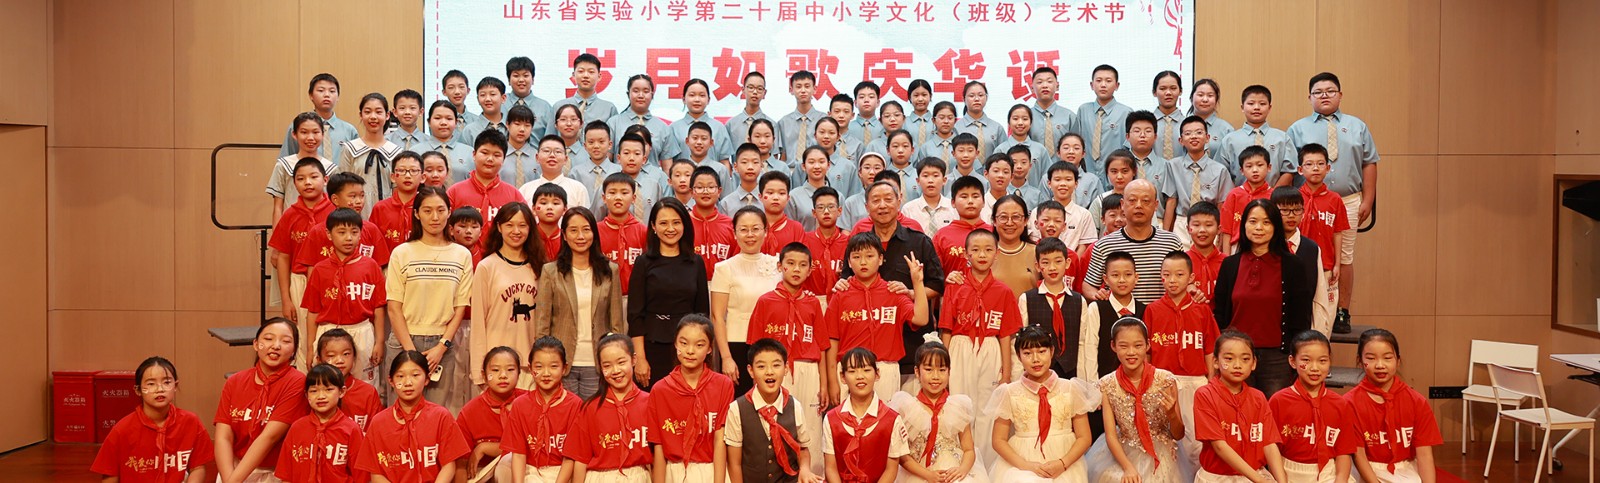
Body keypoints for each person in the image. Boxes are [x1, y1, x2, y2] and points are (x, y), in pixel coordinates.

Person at [1288, 72, 1380, 334]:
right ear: (1309, 97)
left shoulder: (1357, 125)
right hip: (1306, 201)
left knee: (1344, 256)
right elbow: (1289, 167)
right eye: (1318, 92)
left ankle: (1342, 311)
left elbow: (1369, 162)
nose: (1324, 95)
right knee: (1302, 252)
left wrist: (1368, 199)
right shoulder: (1297, 128)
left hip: (1348, 199)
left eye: (1330, 91)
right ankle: (1303, 307)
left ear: (1340, 94)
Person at [1212, 200, 1315, 397]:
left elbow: (1301, 317)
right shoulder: (1230, 264)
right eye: (1253, 221)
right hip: (1236, 355)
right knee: (1236, 409)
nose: (1259, 227)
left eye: (1266, 222)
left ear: (1276, 227)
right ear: (1243, 225)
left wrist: (1296, 354)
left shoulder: (1293, 265)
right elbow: (1220, 314)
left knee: (1274, 410)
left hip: (1277, 358)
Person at [385, 185, 473, 410]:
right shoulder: (402, 253)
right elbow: (394, 308)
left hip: (441, 346)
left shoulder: (461, 254)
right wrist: (410, 353)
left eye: (441, 210)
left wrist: (442, 346)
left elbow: (460, 307)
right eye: (427, 211)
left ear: (449, 212)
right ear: (416, 214)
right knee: (400, 412)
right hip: (404, 340)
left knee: (434, 414)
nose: (435, 217)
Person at [937, 228, 1020, 457]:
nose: (982, 255)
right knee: (958, 404)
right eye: (975, 250)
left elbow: (1005, 335)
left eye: (988, 250)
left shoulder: (1004, 291)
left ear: (996, 254)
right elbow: (946, 329)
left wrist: (1006, 372)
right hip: (959, 348)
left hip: (991, 349)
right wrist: (943, 365)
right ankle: (958, 460)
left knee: (987, 409)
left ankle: (986, 462)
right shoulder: (954, 286)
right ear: (966, 254)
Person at [825, 231, 931, 400]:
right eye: (856, 257)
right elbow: (832, 341)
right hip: (849, 369)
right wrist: (832, 382)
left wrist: (917, 282)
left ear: (880, 259)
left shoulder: (893, 291)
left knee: (886, 416)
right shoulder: (840, 294)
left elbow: (921, 318)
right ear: (849, 262)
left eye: (869, 256)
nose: (863, 262)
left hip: (886, 370)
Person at [748, 243, 831, 455]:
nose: (796, 269)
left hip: (808, 369)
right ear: (779, 266)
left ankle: (812, 470)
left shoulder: (813, 303)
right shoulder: (765, 301)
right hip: (776, 370)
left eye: (803, 265)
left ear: (810, 270)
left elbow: (822, 347)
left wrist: (824, 384)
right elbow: (755, 346)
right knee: (776, 423)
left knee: (810, 427)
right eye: (791, 263)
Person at [987, 325, 1097, 483]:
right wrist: (1026, 466)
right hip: (1022, 463)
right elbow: (998, 440)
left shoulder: (1070, 388)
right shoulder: (1009, 392)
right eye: (1027, 353)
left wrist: (1062, 464)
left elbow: (1084, 437)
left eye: (1041, 351)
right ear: (1018, 356)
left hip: (1065, 461)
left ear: (1051, 351)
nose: (1035, 359)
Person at [535, 207, 625, 396]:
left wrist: (615, 359)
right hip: (561, 363)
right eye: (573, 230)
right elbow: (542, 324)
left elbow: (616, 323)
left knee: (594, 413)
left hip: (597, 363)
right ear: (564, 235)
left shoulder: (610, 270)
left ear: (594, 233)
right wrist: (545, 362)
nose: (581, 236)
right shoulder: (551, 271)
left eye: (586, 229)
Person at [1082, 319, 1183, 483]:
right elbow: (1111, 435)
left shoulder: (1165, 380)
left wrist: (1172, 414)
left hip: (1162, 451)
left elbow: (1178, 434)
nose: (1131, 352)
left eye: (1138, 345)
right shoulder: (1107, 384)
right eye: (1123, 346)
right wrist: (1128, 467)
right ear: (1113, 346)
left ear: (1147, 345)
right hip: (1123, 450)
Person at [1145, 250, 1219, 468]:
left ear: (1191, 277)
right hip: (1162, 382)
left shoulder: (1202, 310)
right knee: (1165, 438)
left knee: (1196, 439)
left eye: (1179, 275)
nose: (1172, 280)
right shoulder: (1152, 310)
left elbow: (1210, 349)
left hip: (1195, 383)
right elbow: (1147, 352)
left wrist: (1210, 382)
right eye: (1167, 275)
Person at [300, 207, 388, 385]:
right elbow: (313, 312)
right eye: (341, 232)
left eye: (354, 232)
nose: (349, 238)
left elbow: (379, 308)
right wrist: (310, 347)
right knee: (328, 384)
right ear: (329, 234)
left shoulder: (371, 266)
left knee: (365, 384)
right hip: (328, 332)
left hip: (362, 331)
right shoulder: (320, 269)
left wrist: (379, 341)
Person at [214, 318, 308, 483]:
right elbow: (223, 437)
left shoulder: (297, 382)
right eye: (269, 338)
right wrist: (229, 478)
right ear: (256, 344)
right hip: (234, 470)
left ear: (294, 350)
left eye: (285, 341)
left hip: (276, 472)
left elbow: (269, 438)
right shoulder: (235, 381)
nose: (276, 345)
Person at [628, 198, 710, 386]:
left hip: (689, 348)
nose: (670, 229)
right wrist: (640, 358)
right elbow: (635, 316)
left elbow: (702, 313)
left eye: (676, 222)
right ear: (653, 227)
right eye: (663, 223)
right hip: (653, 346)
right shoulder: (643, 263)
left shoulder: (696, 262)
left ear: (684, 225)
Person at [92, 357, 214, 483]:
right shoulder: (122, 430)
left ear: (175, 386)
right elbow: (110, 477)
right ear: (138, 390)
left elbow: (197, 468)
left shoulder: (191, 422)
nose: (160, 389)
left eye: (166, 382)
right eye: (151, 384)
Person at [355, 351, 472, 481]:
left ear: (427, 379)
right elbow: (376, 473)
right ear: (391, 381)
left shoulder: (441, 416)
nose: (408, 382)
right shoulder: (379, 422)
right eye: (400, 376)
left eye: (415, 375)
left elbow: (449, 465)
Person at [648, 315, 738, 482]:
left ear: (710, 348)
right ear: (675, 343)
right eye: (684, 343)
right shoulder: (660, 390)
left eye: (699, 345)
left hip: (711, 470)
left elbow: (719, 440)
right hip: (674, 473)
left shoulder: (722, 385)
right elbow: (659, 446)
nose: (690, 351)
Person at [725, 338, 825, 483]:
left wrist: (805, 469)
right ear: (751, 371)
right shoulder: (737, 409)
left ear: (786, 368)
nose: (769, 372)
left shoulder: (795, 406)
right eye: (761, 366)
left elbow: (802, 449)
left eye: (776, 365)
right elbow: (734, 463)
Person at [1346, 329, 1441, 483]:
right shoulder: (1350, 403)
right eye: (1371, 358)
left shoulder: (1417, 401)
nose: (1380, 365)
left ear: (1398, 360)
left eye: (1387, 358)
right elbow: (1359, 455)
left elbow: (1424, 454)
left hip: (1404, 468)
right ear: (1360, 361)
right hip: (1364, 470)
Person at [1193, 330, 1287, 482]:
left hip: (1256, 475)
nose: (1237, 365)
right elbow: (1219, 447)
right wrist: (1259, 480)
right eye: (1229, 359)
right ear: (1215, 361)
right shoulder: (1205, 394)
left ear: (1254, 363)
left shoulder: (1258, 397)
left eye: (1245, 359)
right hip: (1219, 478)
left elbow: (1269, 444)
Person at [889, 342, 988, 483]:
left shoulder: (958, 406)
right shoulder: (907, 408)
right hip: (919, 473)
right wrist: (927, 475)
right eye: (929, 369)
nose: (935, 376)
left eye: (942, 370)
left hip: (953, 471)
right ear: (917, 371)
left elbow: (969, 449)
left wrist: (962, 470)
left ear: (949, 371)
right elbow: (902, 455)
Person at [470, 202, 545, 389]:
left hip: (530, 366)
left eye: (522, 225)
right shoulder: (487, 267)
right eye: (509, 225)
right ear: (499, 227)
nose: (516, 231)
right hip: (496, 366)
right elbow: (478, 322)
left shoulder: (540, 267)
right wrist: (479, 371)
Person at [1269, 331, 1360, 482]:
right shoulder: (1279, 401)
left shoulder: (1340, 403)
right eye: (1306, 360)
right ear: (1292, 361)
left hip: (1328, 473)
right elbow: (1271, 449)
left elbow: (1344, 452)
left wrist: (1340, 480)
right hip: (1287, 472)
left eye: (1322, 361)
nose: (1315, 368)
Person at [563, 333, 654, 481]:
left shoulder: (649, 402)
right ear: (600, 367)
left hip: (639, 476)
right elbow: (580, 459)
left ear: (634, 359)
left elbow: (657, 454)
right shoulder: (590, 408)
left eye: (621, 362)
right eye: (607, 366)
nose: (615, 370)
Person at [715, 206, 785, 392]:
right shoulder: (724, 268)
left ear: (765, 231)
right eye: (743, 229)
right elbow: (717, 317)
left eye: (755, 229)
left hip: (772, 343)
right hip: (737, 344)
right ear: (734, 233)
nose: (750, 235)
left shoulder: (777, 264)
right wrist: (726, 358)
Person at [1081, 179, 1184, 302]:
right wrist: (1098, 295)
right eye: (1132, 200)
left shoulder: (1172, 242)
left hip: (1161, 312)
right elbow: (1089, 285)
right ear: (1123, 204)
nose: (1139, 205)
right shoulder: (1104, 245)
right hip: (1120, 313)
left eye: (1145, 201)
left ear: (1156, 205)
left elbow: (1184, 281)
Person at [822, 348, 912, 483]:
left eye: (866, 370)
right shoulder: (831, 419)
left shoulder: (892, 419)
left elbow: (891, 469)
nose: (860, 376)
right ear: (842, 377)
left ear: (877, 374)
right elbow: (830, 468)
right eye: (852, 371)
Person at [503, 337, 582, 483]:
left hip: (561, 471)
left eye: (553, 366)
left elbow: (571, 457)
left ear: (564, 368)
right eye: (539, 367)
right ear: (530, 368)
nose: (546, 373)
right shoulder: (520, 405)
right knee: (503, 466)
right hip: (531, 469)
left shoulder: (575, 405)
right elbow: (519, 454)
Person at [1017, 238, 1095, 380]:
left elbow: (1082, 342)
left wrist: (1084, 379)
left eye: (1058, 261)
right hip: (1036, 373)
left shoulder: (1079, 300)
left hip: (1071, 372)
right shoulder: (1026, 299)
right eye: (1046, 262)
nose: (1052, 267)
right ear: (1037, 266)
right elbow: (1020, 341)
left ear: (1067, 263)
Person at [1297, 143, 1354, 334]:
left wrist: (1337, 264)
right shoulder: (1295, 198)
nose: (1315, 168)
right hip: (1299, 265)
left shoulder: (1335, 199)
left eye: (1320, 164)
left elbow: (1338, 233)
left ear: (1328, 168)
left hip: (1327, 265)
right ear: (1300, 169)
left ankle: (1322, 349)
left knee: (1325, 315)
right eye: (1309, 164)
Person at [274, 364, 365, 482]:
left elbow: (361, 477)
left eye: (328, 389)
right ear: (306, 395)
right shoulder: (297, 428)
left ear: (342, 391)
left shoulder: (351, 429)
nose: (321, 396)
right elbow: (286, 475)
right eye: (314, 391)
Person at [269, 158, 333, 326]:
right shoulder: (289, 215)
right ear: (294, 184)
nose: (308, 182)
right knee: (303, 333)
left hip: (331, 279)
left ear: (325, 180)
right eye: (300, 178)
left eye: (314, 177)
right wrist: (286, 299)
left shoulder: (336, 212)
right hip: (300, 281)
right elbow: (283, 258)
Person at [458, 347, 528, 481]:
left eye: (510, 370)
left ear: (519, 373)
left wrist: (485, 447)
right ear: (484, 375)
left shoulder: (530, 401)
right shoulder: (470, 411)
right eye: (495, 370)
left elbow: (533, 447)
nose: (503, 375)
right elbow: (460, 462)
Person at [1273, 187, 1336, 334]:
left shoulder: (1312, 249)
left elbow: (1319, 295)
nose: (1291, 216)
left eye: (1297, 210)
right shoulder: (1266, 246)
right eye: (1285, 210)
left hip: (1302, 329)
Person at [1163, 116, 1232, 244]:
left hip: (1209, 222)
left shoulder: (1220, 170)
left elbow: (1222, 206)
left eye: (1199, 132)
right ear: (1181, 140)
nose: (1194, 136)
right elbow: (1171, 201)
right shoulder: (1172, 166)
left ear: (1207, 138)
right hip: (1182, 222)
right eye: (1188, 133)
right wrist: (1165, 235)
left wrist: (1221, 237)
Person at [334, 93, 403, 217]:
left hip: (387, 215)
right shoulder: (349, 149)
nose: (373, 117)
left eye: (378, 112)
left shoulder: (396, 152)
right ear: (361, 115)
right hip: (356, 215)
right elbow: (343, 187)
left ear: (387, 115)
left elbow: (397, 189)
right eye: (367, 112)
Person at [448, 130, 526, 233]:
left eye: (497, 155)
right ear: (474, 154)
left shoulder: (514, 195)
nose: (490, 159)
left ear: (504, 159)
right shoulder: (454, 192)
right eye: (484, 153)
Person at [1217, 85, 1295, 187]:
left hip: (1275, 195)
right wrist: (1238, 194)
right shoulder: (1229, 140)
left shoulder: (1282, 138)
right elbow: (1222, 173)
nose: (1256, 107)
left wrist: (1273, 194)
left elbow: (1289, 171)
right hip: (1239, 194)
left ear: (1269, 108)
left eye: (1262, 104)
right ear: (1242, 107)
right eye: (1251, 103)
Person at [268, 113, 334, 220]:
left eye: (315, 132)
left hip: (323, 225)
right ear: (294, 134)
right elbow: (278, 207)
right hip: (292, 224)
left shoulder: (331, 168)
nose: (310, 138)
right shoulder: (284, 165)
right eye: (304, 132)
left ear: (323, 134)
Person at [278, 73, 357, 160]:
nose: (327, 95)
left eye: (332, 91)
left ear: (338, 96)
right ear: (311, 95)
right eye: (321, 90)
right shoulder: (297, 126)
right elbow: (286, 160)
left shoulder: (349, 130)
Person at [315, 329, 382, 430]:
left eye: (346, 354)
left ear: (354, 356)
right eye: (331, 355)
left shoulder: (368, 392)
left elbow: (377, 430)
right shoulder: (314, 391)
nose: (340, 360)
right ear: (319, 360)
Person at [1074, 65, 1133, 176]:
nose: (1103, 85)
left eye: (1108, 81)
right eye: (1099, 80)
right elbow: (1076, 141)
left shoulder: (1126, 112)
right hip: (1086, 175)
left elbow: (1130, 147)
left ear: (1117, 85)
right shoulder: (1083, 110)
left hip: (1116, 176)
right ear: (1092, 85)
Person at [599, 171, 649, 297]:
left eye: (624, 193)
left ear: (633, 198)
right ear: (604, 198)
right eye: (612, 193)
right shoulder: (595, 231)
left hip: (635, 296)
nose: (618, 197)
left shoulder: (643, 231)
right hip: (603, 295)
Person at [607, 74, 676, 166]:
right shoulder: (614, 123)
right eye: (636, 91)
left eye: (646, 91)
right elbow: (607, 162)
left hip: (652, 175)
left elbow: (667, 167)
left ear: (652, 95)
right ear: (628, 94)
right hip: (621, 175)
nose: (641, 95)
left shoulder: (663, 128)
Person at [1220, 146, 1276, 252]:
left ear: (1269, 167)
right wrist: (1227, 257)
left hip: (1267, 246)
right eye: (1249, 166)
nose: (1255, 170)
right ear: (1242, 170)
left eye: (1260, 165)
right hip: (1237, 247)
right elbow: (1226, 230)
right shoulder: (1234, 194)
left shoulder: (1274, 196)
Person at [933, 176, 992, 277]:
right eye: (964, 197)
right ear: (953, 203)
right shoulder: (942, 236)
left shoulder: (994, 232)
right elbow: (934, 275)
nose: (970, 201)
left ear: (983, 202)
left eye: (975, 196)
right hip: (953, 287)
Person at [800, 187, 849, 300]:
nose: (826, 212)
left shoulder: (849, 243)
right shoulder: (804, 241)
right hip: (811, 300)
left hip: (841, 301)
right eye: (821, 207)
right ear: (814, 213)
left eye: (831, 207)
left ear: (839, 211)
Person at [688, 166, 737, 278]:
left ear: (719, 191)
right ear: (691, 192)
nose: (705, 192)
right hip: (690, 283)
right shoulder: (683, 224)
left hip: (724, 283)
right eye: (700, 187)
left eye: (711, 187)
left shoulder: (730, 225)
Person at [552, 53, 618, 131]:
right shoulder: (558, 106)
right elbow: (551, 137)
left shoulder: (609, 109)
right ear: (573, 75)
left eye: (591, 72)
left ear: (599, 76)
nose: (585, 75)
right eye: (581, 71)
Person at [372, 152, 423, 252]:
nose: (407, 175)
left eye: (413, 171)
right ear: (393, 177)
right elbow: (373, 240)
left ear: (423, 177)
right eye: (402, 170)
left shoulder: (426, 207)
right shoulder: (381, 208)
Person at [520, 134, 590, 207]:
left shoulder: (578, 189)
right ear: (537, 157)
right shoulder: (525, 190)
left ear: (565, 159)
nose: (552, 155)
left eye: (558, 152)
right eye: (546, 151)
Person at [1043, 162, 1097, 254]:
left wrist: (1072, 262)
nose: (1063, 184)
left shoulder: (1084, 215)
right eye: (1057, 179)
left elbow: (1085, 246)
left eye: (1068, 179)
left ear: (1076, 184)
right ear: (1049, 183)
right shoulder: (1038, 213)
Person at [903, 157, 957, 235]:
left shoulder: (953, 208)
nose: (930, 180)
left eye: (935, 176)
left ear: (944, 180)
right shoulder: (908, 209)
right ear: (918, 181)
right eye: (925, 176)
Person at [1186, 201, 1226, 303]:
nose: (1202, 230)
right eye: (1196, 225)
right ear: (1188, 229)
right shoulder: (1182, 261)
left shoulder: (1227, 263)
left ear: (1219, 229)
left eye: (1208, 225)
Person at [503, 56, 554, 136]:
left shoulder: (545, 108)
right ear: (509, 80)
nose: (521, 80)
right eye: (516, 76)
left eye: (525, 75)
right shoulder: (500, 103)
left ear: (533, 79)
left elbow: (551, 137)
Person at [760, 172, 807, 255]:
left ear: (788, 198)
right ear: (760, 197)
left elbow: (802, 258)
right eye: (770, 193)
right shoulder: (753, 227)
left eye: (781, 193)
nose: (775, 198)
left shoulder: (796, 229)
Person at [1055, 133, 1103, 209]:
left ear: (1083, 154)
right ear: (1058, 153)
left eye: (1076, 148)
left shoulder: (1093, 180)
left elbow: (1099, 209)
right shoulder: (1048, 178)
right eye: (1066, 148)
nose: (1071, 151)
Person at [728, 71, 775, 148]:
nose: (755, 92)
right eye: (751, 87)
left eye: (759, 89)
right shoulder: (731, 125)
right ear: (743, 90)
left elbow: (774, 153)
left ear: (764, 93)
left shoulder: (772, 124)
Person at [956, 82, 1003, 158]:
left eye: (980, 95)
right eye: (971, 96)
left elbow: (1003, 155)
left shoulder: (997, 128)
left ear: (986, 98)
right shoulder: (956, 128)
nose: (977, 99)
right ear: (964, 99)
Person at [1189, 79, 1234, 157]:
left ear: (1216, 100)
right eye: (1200, 95)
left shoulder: (1226, 129)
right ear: (1191, 98)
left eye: (1210, 96)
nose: (1205, 100)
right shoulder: (1181, 125)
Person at [571, 121, 621, 188]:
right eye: (591, 142)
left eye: (601, 142)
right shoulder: (576, 173)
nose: (596, 146)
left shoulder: (619, 171)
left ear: (610, 144)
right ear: (585, 146)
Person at [462, 76, 510, 145]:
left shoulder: (512, 127)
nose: (487, 99)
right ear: (478, 99)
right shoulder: (469, 130)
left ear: (503, 98)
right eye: (483, 95)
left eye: (492, 94)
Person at [1151, 71, 1186, 160]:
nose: (1168, 93)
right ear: (1154, 92)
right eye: (1162, 89)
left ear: (1180, 91)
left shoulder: (1188, 124)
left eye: (1173, 88)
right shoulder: (1145, 123)